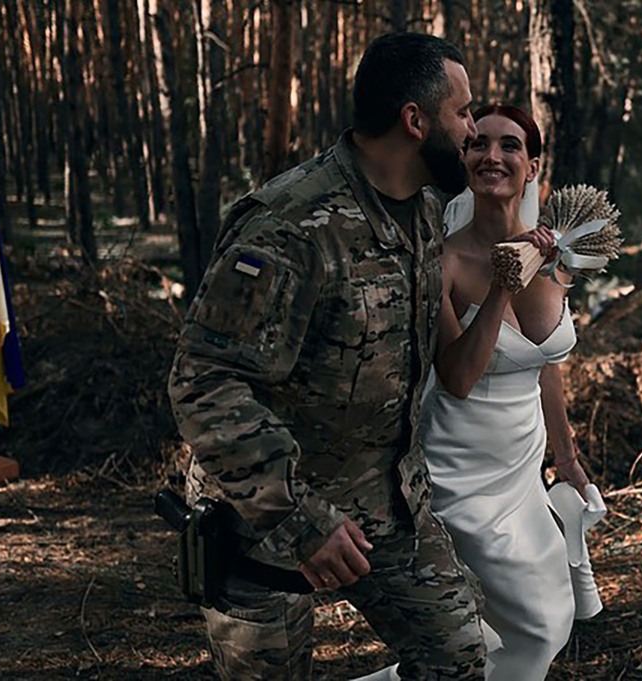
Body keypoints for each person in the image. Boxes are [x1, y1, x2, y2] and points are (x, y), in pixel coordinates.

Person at [168, 33, 487, 680]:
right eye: (464, 113)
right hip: (266, 520)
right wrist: (303, 519)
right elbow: (204, 381)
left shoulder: (425, 212)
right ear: (414, 120)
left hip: (389, 505)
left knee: (457, 658)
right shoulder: (291, 224)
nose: (474, 130)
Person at [422, 104, 592, 680]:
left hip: (523, 467)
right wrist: (501, 287)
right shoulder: (443, 262)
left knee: (550, 619)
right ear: (465, 159)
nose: (492, 155)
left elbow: (544, 363)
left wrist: (565, 458)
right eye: (479, 144)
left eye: (510, 146)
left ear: (532, 166)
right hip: (459, 469)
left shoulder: (555, 257)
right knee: (527, 624)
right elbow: (458, 377)